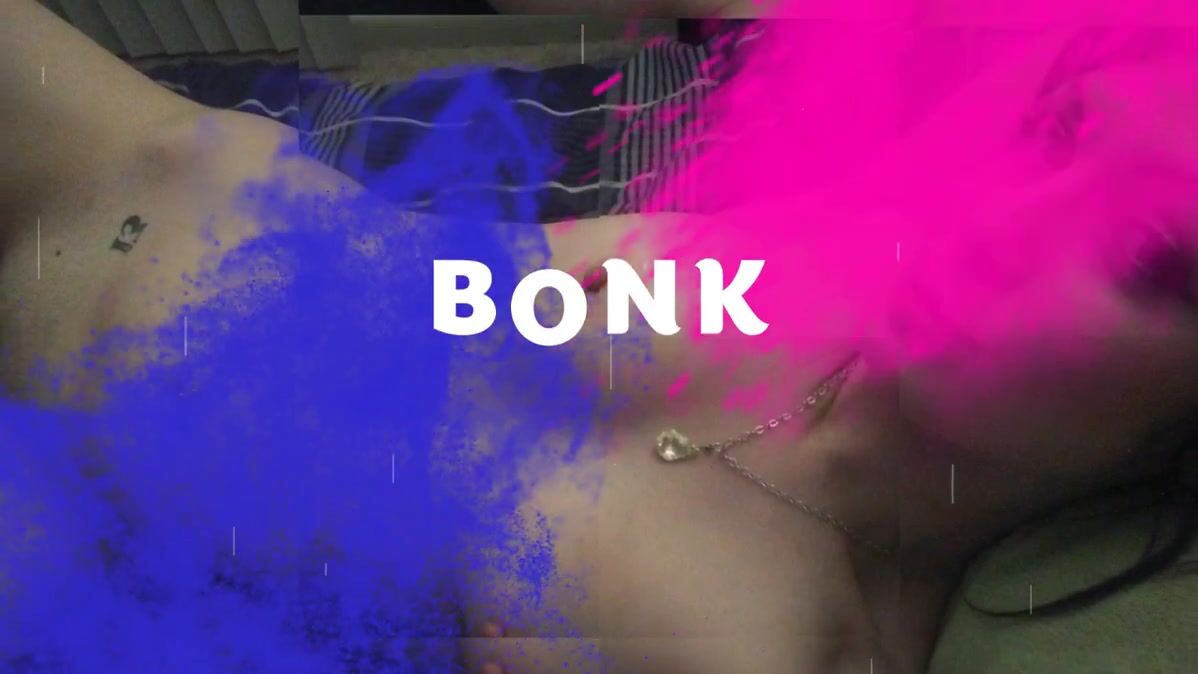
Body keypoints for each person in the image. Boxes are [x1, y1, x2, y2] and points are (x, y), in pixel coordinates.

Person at [1, 2, 1194, 674]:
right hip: (129, 165)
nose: (1006, 222)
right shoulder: (842, 237)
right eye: (1064, 125)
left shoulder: (770, 632)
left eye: (1148, 257)